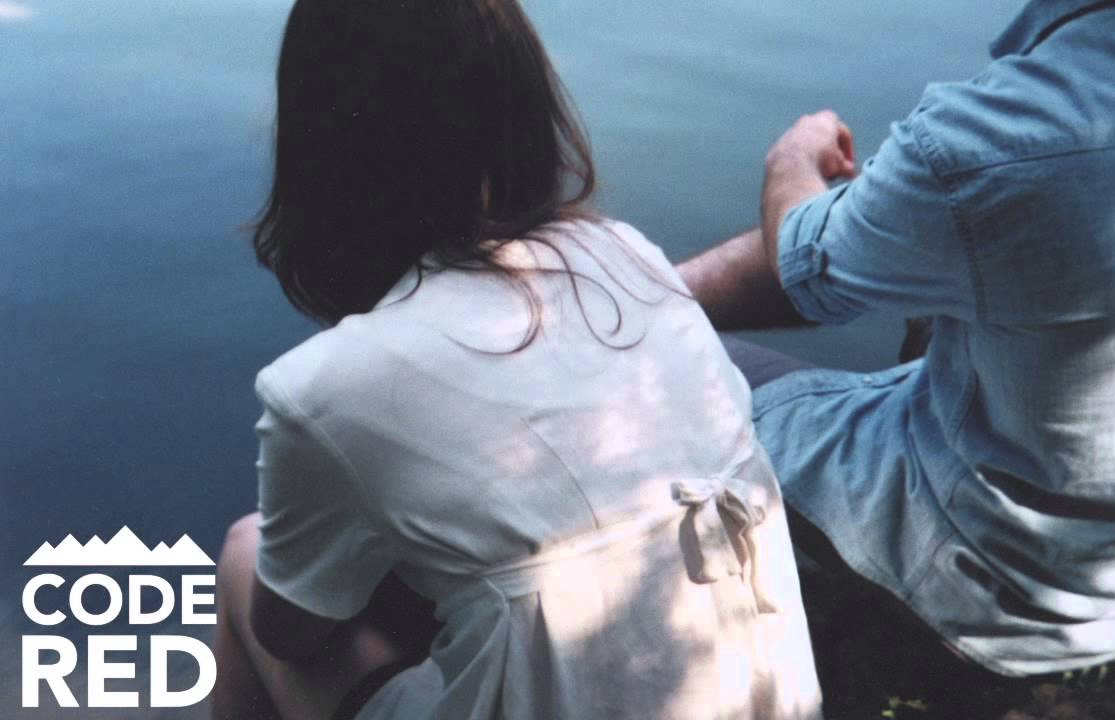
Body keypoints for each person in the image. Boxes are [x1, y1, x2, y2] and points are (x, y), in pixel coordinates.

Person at [210, 1, 823, 718]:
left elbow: (290, 633)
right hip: (768, 701)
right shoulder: (627, 255)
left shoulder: (321, 390)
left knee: (247, 553)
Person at [679, 0, 1115, 713]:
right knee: (945, 261)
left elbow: (804, 266)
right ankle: (648, 295)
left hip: (1007, 593)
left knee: (670, 371)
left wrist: (792, 161)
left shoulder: (993, 136)